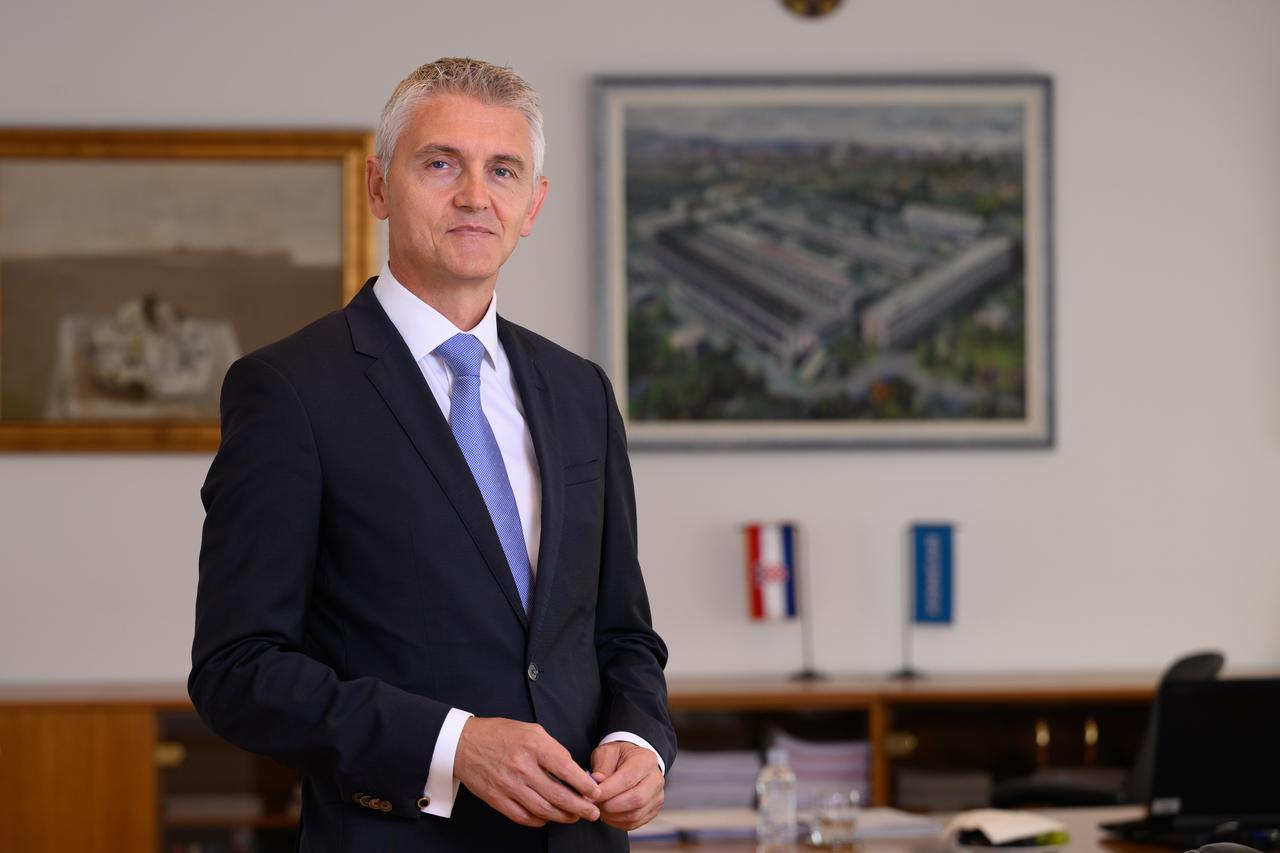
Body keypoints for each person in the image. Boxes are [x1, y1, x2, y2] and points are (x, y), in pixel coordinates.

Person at [189, 57, 675, 852]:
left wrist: (641, 740)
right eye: (442, 164)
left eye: (503, 170)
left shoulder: (580, 390)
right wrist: (452, 745)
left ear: (533, 204)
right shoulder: (289, 390)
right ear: (379, 186)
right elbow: (237, 669)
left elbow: (621, 634)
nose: (475, 195)